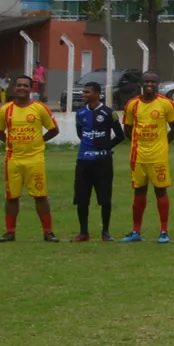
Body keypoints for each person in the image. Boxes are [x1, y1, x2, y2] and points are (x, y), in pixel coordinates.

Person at [0, 76, 59, 242]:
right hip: (13, 158)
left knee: (40, 195)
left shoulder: (39, 108)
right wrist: (10, 143)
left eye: (25, 85)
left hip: (35, 159)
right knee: (12, 196)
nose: (21, 88)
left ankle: (48, 232)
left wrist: (39, 142)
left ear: (31, 89)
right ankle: (10, 232)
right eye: (19, 85)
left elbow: (54, 130)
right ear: (14, 88)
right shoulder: (5, 110)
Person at [121, 72, 174, 243]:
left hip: (158, 157)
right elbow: (127, 129)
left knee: (160, 191)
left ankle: (164, 231)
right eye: (146, 81)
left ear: (157, 84)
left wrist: (163, 143)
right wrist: (138, 143)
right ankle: (136, 231)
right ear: (141, 83)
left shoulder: (165, 104)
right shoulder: (132, 105)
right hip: (138, 156)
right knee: (139, 192)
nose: (149, 85)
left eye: (153, 82)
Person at [70, 81, 123, 241]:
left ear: (96, 94)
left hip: (103, 162)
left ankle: (105, 232)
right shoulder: (80, 113)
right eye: (83, 92)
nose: (83, 95)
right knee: (81, 198)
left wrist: (106, 147)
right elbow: (81, 134)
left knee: (105, 198)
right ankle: (84, 232)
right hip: (83, 161)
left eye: (87, 92)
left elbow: (120, 135)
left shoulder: (108, 113)